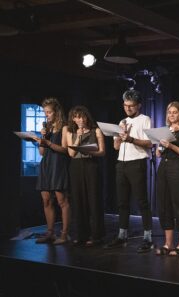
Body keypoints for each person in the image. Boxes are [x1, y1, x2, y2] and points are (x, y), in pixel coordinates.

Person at [104, 90, 154, 253]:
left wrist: (131, 138)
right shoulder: (122, 121)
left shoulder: (145, 119)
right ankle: (122, 234)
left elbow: (149, 144)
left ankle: (147, 237)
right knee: (122, 202)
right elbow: (116, 146)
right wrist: (120, 134)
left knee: (141, 201)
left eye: (131, 106)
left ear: (138, 105)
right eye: (125, 106)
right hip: (122, 163)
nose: (128, 109)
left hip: (137, 162)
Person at [155, 101, 179, 256]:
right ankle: (168, 243)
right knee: (164, 206)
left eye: (174, 112)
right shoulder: (165, 130)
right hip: (163, 169)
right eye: (169, 112)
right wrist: (160, 145)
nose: (171, 115)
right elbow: (158, 154)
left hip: (178, 169)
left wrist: (171, 146)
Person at [65, 105, 106, 247]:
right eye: (76, 117)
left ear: (87, 117)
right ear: (73, 119)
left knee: (93, 200)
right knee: (78, 200)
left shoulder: (96, 131)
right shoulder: (70, 132)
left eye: (82, 116)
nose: (79, 119)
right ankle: (81, 234)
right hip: (76, 167)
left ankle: (96, 235)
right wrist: (79, 137)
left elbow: (102, 152)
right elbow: (71, 153)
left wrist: (91, 152)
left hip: (91, 165)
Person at [32, 97, 71, 245]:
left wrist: (48, 142)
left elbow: (65, 149)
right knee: (46, 200)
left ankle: (64, 234)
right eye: (45, 112)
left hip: (58, 165)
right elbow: (42, 152)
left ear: (57, 112)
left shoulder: (65, 128)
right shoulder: (47, 129)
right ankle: (50, 233)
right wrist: (43, 138)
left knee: (62, 201)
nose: (46, 115)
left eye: (49, 112)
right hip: (46, 165)